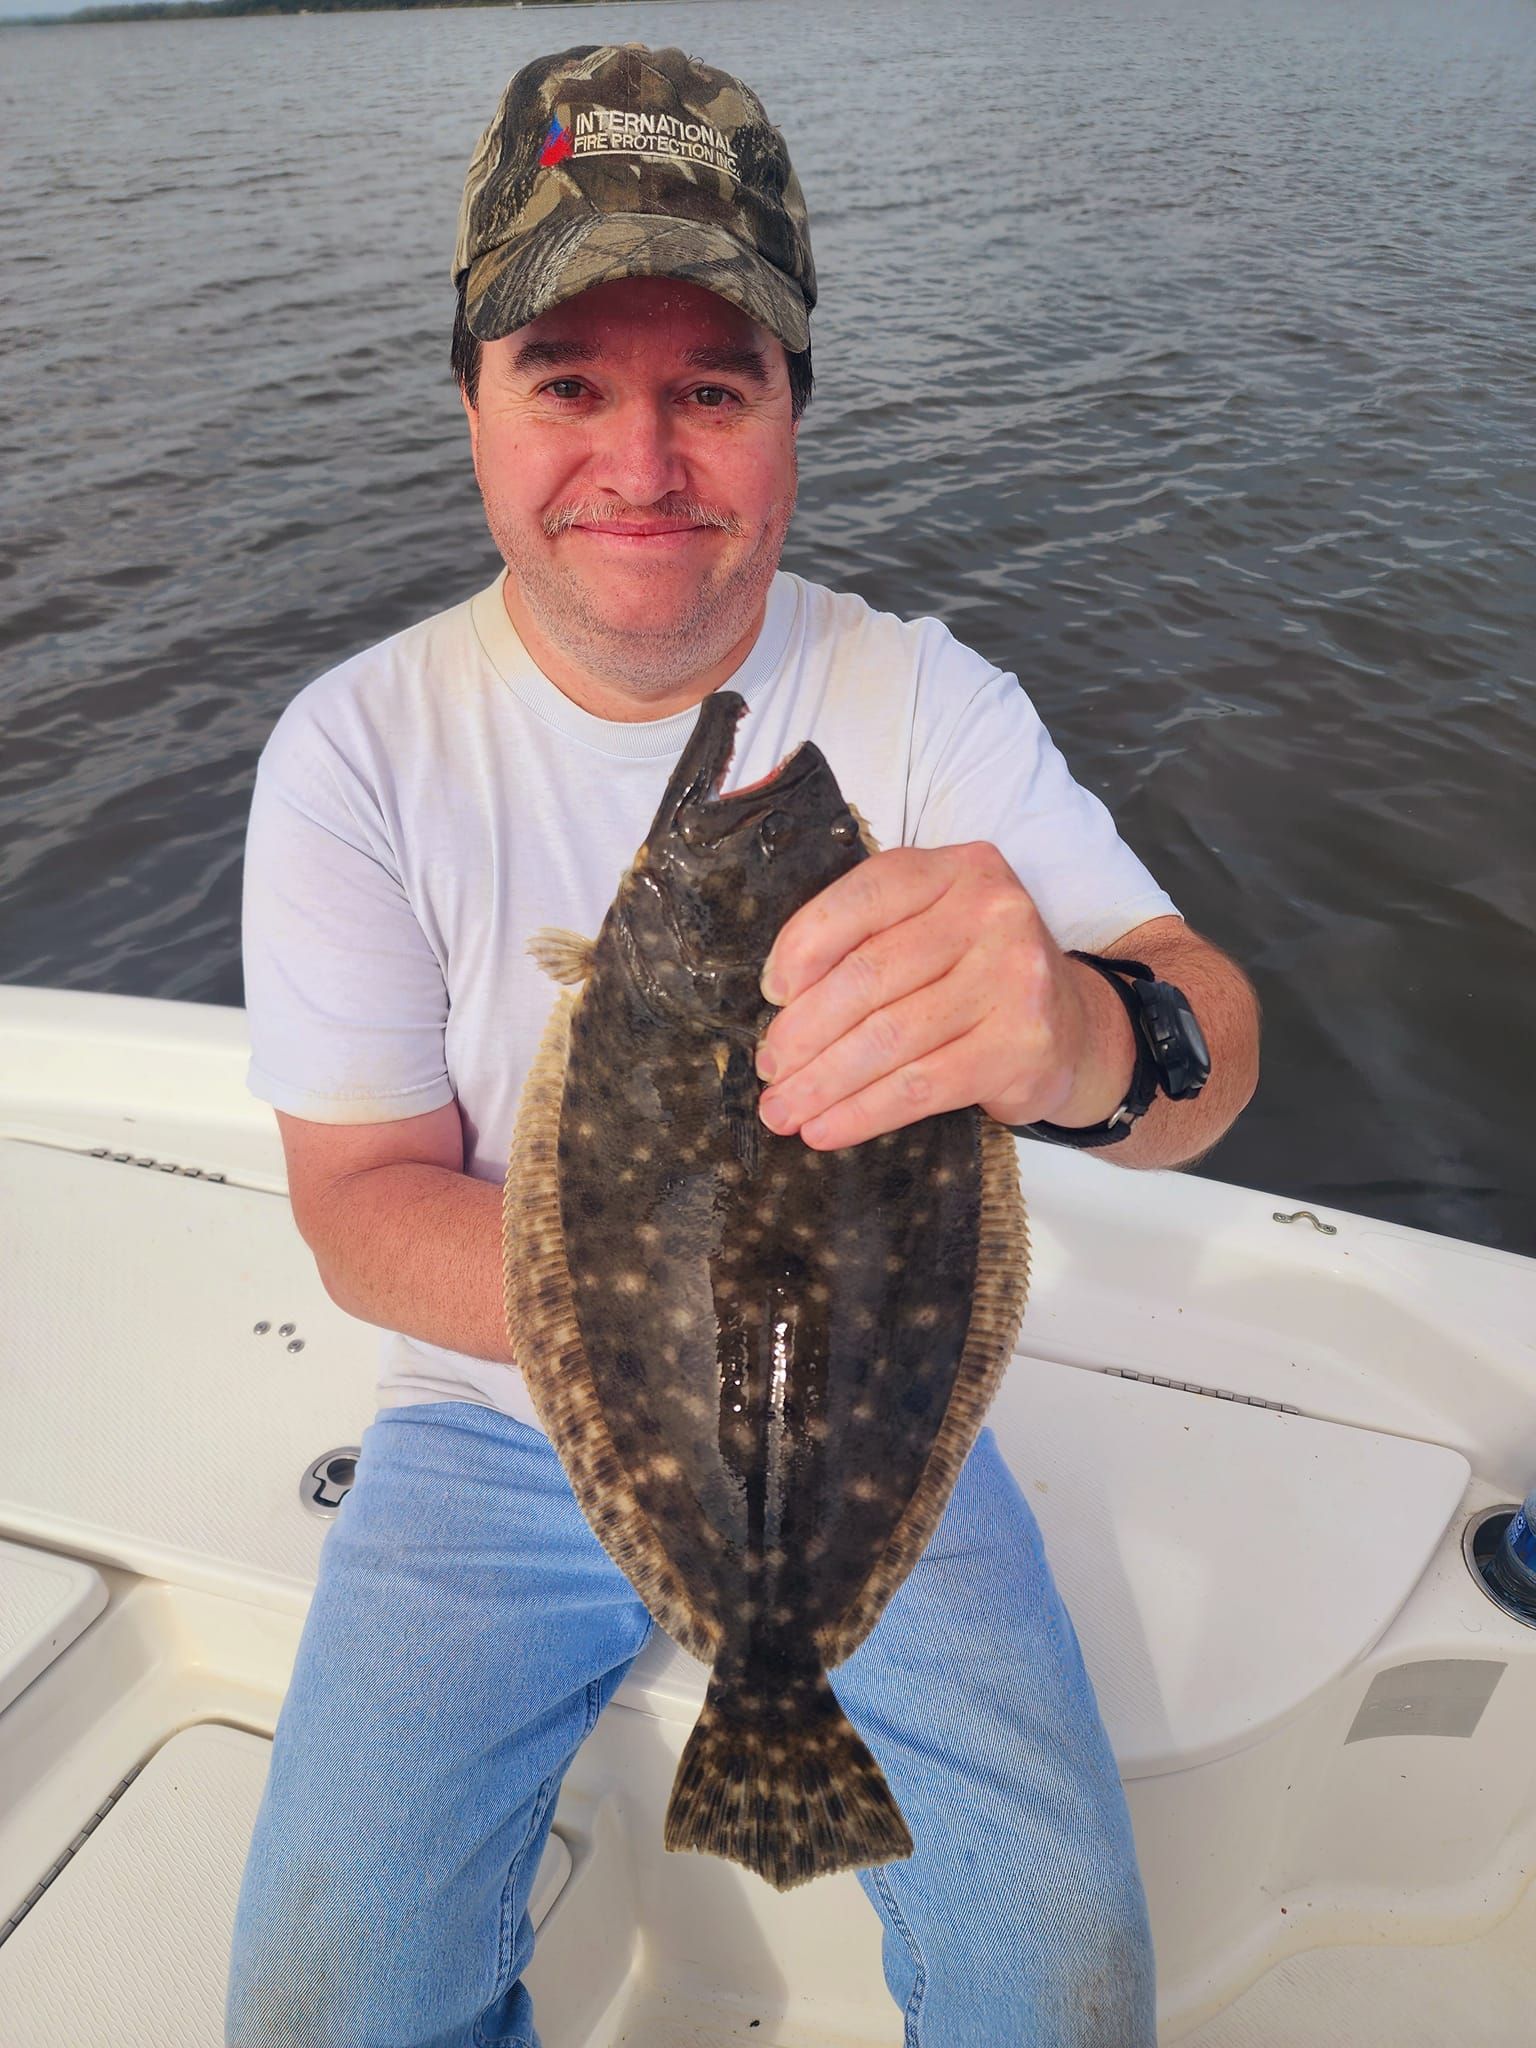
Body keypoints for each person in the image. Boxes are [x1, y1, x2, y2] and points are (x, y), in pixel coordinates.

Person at [227, 39, 1260, 2048]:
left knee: (1059, 1971)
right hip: (487, 1423)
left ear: (795, 413)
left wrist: (1077, 1034)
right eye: (570, 382)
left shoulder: (915, 698)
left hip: (874, 1411)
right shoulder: (356, 750)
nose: (643, 461)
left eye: (712, 384)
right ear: (469, 399)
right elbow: (358, 1213)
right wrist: (655, 1336)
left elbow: (1209, 1041)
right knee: (325, 1996)